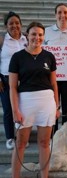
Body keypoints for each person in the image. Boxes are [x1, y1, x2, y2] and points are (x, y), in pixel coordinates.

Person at [9, 21, 60, 178]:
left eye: (40, 35)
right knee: (21, 143)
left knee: (44, 143)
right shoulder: (17, 57)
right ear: (27, 35)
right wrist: (15, 110)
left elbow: (53, 83)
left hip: (47, 102)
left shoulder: (49, 56)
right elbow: (12, 87)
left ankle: (44, 176)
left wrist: (57, 106)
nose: (37, 37)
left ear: (43, 37)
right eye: (33, 34)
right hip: (25, 101)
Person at [44, 3, 67, 132]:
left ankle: (65, 135)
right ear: (55, 15)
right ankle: (53, 135)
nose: (62, 15)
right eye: (59, 12)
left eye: (65, 12)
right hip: (50, 76)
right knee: (52, 106)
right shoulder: (47, 31)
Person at [0, 11, 27, 150]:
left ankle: (22, 136)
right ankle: (11, 137)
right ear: (6, 26)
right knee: (8, 109)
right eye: (11, 23)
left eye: (17, 23)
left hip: (24, 80)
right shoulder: (1, 40)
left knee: (22, 108)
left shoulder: (27, 39)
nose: (14, 26)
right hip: (5, 80)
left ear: (21, 24)